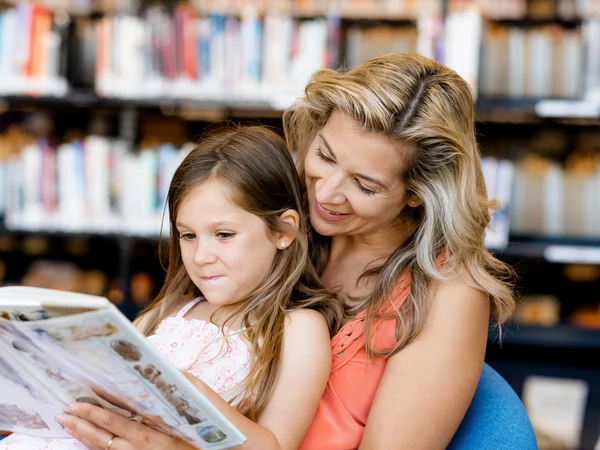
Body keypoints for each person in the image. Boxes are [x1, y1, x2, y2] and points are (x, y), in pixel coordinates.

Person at [57, 52, 516, 449]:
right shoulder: (281, 224)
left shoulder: (446, 294)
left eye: (364, 184)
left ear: (419, 193)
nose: (327, 193)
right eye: (327, 156)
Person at [0, 126, 342, 450]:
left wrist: (194, 393)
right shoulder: (169, 311)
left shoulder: (298, 329)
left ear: (284, 230)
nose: (202, 256)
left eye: (223, 235)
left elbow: (276, 445)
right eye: (188, 235)